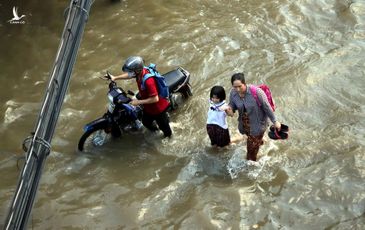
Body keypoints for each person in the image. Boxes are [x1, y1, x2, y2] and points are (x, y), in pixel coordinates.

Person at [110, 56, 172, 138]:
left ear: (137, 70)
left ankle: (168, 136)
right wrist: (115, 78)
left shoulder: (148, 81)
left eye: (131, 71)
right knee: (146, 122)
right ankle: (156, 132)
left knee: (165, 130)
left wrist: (138, 102)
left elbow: (155, 98)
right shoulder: (139, 72)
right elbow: (129, 75)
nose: (130, 73)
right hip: (148, 107)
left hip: (158, 109)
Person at [226, 72, 281, 161]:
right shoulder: (233, 93)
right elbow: (232, 106)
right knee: (252, 140)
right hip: (245, 124)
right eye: (235, 87)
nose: (238, 89)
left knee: (250, 154)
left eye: (240, 86)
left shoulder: (257, 92)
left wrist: (275, 121)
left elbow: (267, 107)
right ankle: (260, 142)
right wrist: (229, 110)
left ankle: (252, 166)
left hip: (258, 125)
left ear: (244, 83)